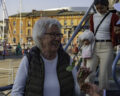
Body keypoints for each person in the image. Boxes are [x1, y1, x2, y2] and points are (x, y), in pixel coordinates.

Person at [11, 17, 93, 96]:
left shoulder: (67, 60)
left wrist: (80, 83)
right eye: (53, 34)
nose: (57, 38)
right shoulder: (29, 60)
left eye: (59, 35)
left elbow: (76, 94)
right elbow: (16, 92)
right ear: (40, 37)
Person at [87, 0, 120, 90]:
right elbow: (91, 31)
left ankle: (103, 93)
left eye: (102, 8)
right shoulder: (92, 17)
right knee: (89, 73)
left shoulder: (114, 17)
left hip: (107, 46)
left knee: (104, 75)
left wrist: (117, 31)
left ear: (107, 6)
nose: (99, 10)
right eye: (97, 8)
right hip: (94, 46)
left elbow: (118, 32)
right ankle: (89, 93)